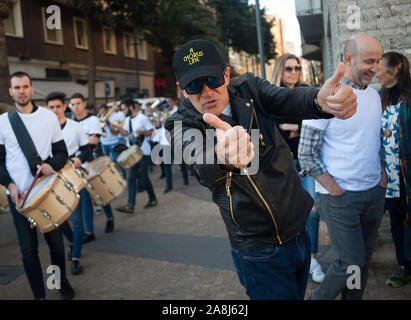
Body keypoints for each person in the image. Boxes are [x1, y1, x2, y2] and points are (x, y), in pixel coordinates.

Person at [164, 39, 357, 300]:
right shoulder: (179, 124)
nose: (207, 91)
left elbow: (287, 99)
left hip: (299, 232)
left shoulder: (250, 88)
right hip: (259, 252)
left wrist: (320, 100)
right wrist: (224, 156)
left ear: (227, 74)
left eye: (213, 79)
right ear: (182, 89)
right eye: (194, 85)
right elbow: (199, 160)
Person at [299, 34, 386, 300]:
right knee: (350, 261)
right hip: (341, 198)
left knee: (362, 260)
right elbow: (306, 154)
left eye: (378, 61)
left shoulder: (373, 96)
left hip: (373, 192)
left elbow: (374, 140)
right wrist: (334, 189)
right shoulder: (325, 97)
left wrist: (381, 175)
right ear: (348, 59)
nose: (375, 67)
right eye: (369, 61)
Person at [0, 72, 75, 299]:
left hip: (45, 193)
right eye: (17, 87)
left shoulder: (48, 117)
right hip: (19, 197)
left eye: (25, 86)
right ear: (11, 91)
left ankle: (59, 283)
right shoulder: (3, 122)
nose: (21, 91)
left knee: (56, 245)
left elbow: (62, 152)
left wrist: (52, 165)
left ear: (31, 89)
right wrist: (10, 186)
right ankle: (39, 295)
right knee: (28, 250)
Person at [272, 53, 325, 283]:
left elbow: (314, 124)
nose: (293, 72)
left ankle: (312, 259)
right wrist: (288, 129)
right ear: (280, 71)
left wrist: (290, 127)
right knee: (286, 213)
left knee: (312, 210)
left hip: (306, 162)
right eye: (288, 68)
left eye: (296, 68)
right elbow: (271, 129)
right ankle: (293, 258)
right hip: (282, 164)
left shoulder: (306, 92)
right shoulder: (270, 95)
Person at [46, 91, 93, 275]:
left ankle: (75, 258)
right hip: (52, 181)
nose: (55, 110)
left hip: (73, 177)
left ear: (64, 107)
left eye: (58, 106)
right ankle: (74, 241)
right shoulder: (43, 129)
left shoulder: (75, 127)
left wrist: (80, 159)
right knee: (57, 220)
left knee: (77, 219)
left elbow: (87, 149)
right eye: (51, 107)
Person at [375, 51, 411, 288]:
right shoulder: (381, 96)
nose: (376, 72)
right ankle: (404, 266)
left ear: (396, 68)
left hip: (409, 173)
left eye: (380, 67)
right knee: (397, 221)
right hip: (391, 173)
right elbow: (376, 133)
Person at [70, 93, 115, 242]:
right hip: (78, 165)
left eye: (78, 103)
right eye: (73, 104)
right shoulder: (72, 124)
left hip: (92, 163)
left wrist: (79, 146)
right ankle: (90, 232)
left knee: (99, 193)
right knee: (85, 199)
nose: (75, 107)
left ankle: (109, 217)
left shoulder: (93, 120)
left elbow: (93, 141)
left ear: (84, 104)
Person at [114, 99, 158, 213]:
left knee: (144, 177)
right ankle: (130, 205)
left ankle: (153, 198)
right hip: (132, 152)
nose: (123, 111)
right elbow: (127, 134)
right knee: (131, 178)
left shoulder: (142, 118)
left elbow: (151, 131)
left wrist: (142, 133)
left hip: (143, 152)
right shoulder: (127, 119)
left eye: (124, 109)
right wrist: (118, 128)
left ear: (131, 107)